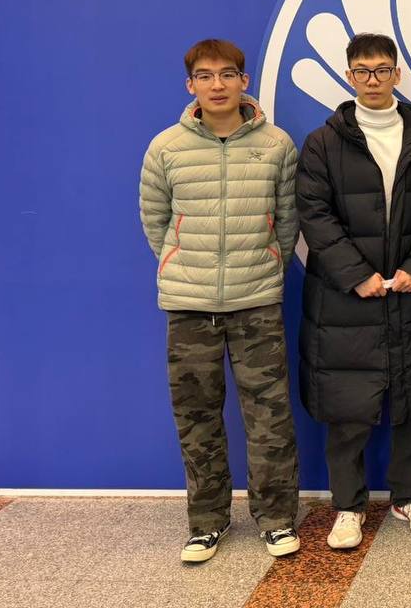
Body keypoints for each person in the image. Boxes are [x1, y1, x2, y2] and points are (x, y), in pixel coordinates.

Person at [139, 38, 301, 563]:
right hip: (189, 303)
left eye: (227, 74)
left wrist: (267, 263)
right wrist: (180, 264)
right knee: (197, 417)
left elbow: (287, 219)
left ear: (243, 81)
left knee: (269, 417)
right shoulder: (166, 147)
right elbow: (155, 220)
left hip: (256, 300)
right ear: (191, 85)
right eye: (205, 76)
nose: (217, 85)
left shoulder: (276, 144)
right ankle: (207, 522)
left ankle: (276, 519)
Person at [296, 33, 411, 549]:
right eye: (362, 71)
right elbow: (314, 214)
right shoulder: (323, 142)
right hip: (344, 297)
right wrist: (355, 273)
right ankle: (348, 506)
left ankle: (409, 496)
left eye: (382, 70)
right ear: (349, 77)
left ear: (397, 74)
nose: (373, 80)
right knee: (348, 407)